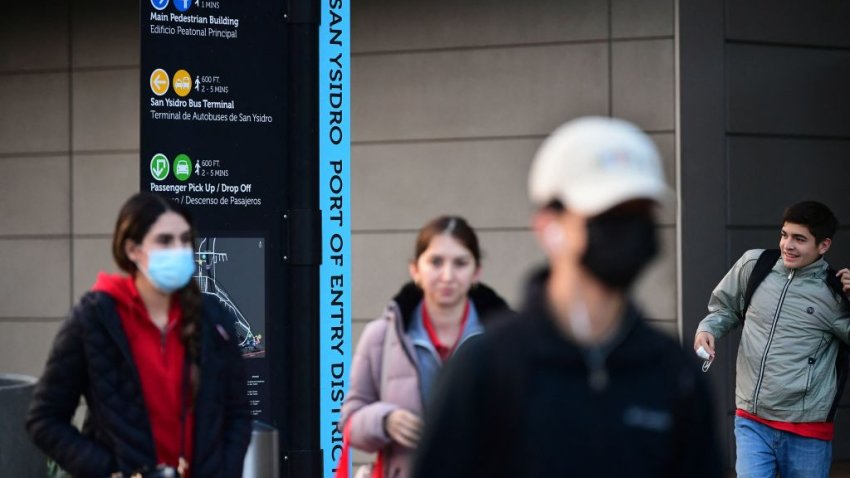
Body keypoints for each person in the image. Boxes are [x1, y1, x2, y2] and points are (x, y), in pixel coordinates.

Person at [412, 117, 721, 478]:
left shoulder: (676, 376)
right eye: (608, 214)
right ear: (548, 227)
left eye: (640, 214)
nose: (629, 230)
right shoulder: (486, 368)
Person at [27, 192, 251, 477]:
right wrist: (107, 470)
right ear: (132, 249)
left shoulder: (212, 317)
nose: (179, 250)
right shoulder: (96, 318)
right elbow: (44, 419)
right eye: (165, 240)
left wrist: (223, 470)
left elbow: (238, 414)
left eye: (185, 240)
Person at [339, 215, 510, 478]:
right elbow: (350, 421)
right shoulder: (381, 336)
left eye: (460, 263)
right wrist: (384, 421)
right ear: (415, 270)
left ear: (476, 272)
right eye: (436, 262)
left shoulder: (505, 338)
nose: (447, 275)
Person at [694, 201, 850, 478]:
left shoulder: (836, 293)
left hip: (807, 432)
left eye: (799, 239)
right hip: (752, 421)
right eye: (784, 235)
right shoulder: (755, 265)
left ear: (823, 245)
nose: (787, 245)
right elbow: (725, 308)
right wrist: (708, 329)